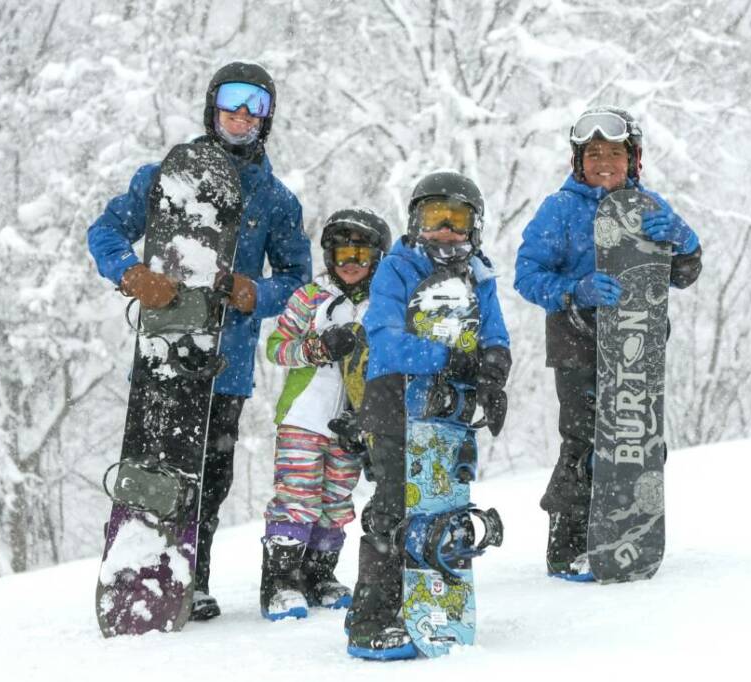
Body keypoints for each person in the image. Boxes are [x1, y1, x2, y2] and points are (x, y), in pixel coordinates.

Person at [87, 61, 312, 620]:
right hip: (162, 355)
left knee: (210, 478)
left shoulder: (278, 201)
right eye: (232, 104)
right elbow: (105, 230)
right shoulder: (163, 178)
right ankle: (133, 563)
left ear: (267, 119)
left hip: (226, 362)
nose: (241, 116)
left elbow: (297, 280)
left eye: (254, 107)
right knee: (150, 463)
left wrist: (253, 293)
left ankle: (194, 576)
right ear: (212, 107)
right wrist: (128, 272)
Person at [513, 106, 703, 581]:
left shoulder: (649, 206)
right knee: (584, 443)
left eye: (614, 153)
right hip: (578, 342)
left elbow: (683, 273)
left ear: (633, 158)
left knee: (638, 439)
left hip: (639, 344)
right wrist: (575, 291)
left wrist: (682, 240)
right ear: (578, 160)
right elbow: (527, 274)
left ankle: (631, 533)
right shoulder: (560, 208)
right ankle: (569, 545)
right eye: (593, 153)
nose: (603, 162)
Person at [345, 171, 512, 660]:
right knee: (398, 501)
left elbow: (494, 334)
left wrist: (493, 374)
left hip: (448, 407)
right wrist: (450, 360)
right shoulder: (397, 267)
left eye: (455, 219)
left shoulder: (478, 273)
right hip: (394, 398)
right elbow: (386, 339)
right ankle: (372, 617)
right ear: (415, 221)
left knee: (442, 499)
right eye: (433, 218)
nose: (443, 230)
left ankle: (432, 601)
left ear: (473, 226)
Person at [259, 208, 392, 621]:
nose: (350, 263)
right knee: (298, 497)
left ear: (377, 258)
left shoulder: (382, 304)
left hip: (352, 424)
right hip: (305, 417)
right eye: (342, 254)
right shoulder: (310, 298)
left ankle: (319, 575)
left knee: (335, 500)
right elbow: (276, 346)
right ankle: (281, 581)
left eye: (361, 254)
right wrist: (314, 348)